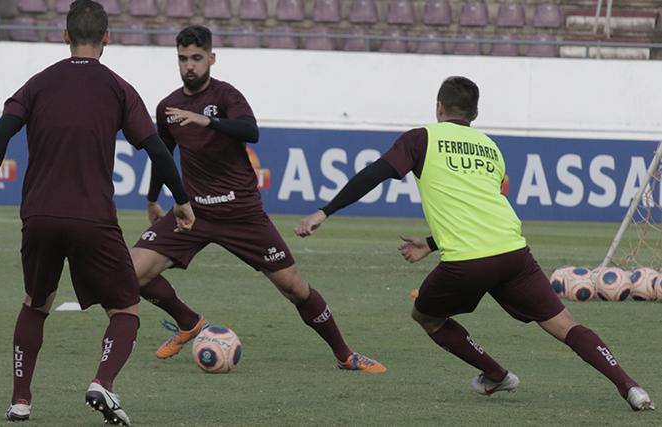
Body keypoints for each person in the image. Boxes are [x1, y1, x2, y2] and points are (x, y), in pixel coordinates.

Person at [295, 76, 655, 411]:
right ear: (475, 114)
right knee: (566, 325)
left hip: (467, 262)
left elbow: (376, 173)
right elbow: (481, 209)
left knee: (426, 315)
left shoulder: (422, 138)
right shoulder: (490, 148)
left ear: (439, 107)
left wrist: (325, 211)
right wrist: (431, 243)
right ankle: (631, 387)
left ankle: (497, 374)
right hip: (514, 254)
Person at [0, 1, 195, 424]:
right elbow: (157, 149)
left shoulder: (38, 83)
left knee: (35, 304)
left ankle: (20, 401)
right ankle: (102, 382)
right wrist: (180, 199)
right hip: (93, 219)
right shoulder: (118, 88)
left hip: (39, 217)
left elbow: (0, 133)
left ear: (65, 35)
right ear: (107, 37)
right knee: (125, 310)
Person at [130, 25, 385, 373]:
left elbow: (251, 131)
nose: (189, 65)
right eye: (183, 58)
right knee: (130, 274)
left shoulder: (227, 96)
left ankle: (346, 355)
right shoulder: (168, 107)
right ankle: (188, 322)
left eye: (197, 58)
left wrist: (207, 121)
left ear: (211, 58)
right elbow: (163, 155)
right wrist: (152, 199)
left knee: (295, 288)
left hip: (242, 213)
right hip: (194, 213)